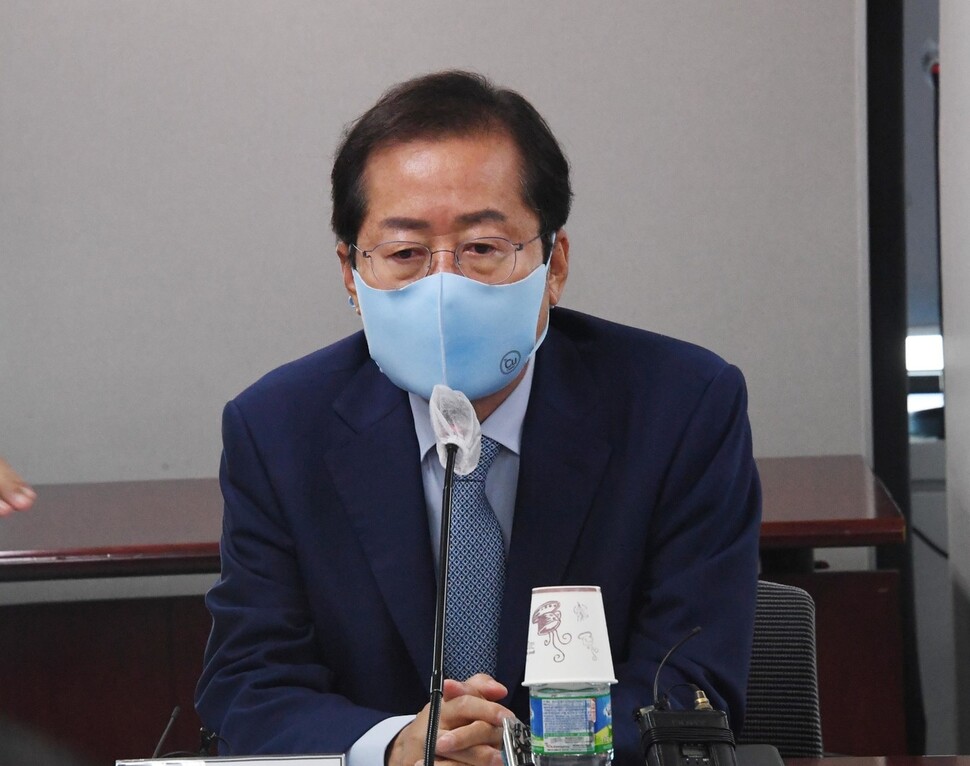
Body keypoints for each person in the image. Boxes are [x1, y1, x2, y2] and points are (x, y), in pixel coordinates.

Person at [196, 70, 761, 766]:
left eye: (483, 248)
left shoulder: (681, 407)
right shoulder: (278, 429)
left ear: (554, 264)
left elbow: (691, 679)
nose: (444, 286)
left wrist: (517, 751)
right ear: (351, 273)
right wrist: (394, 748)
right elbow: (249, 683)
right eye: (405, 254)